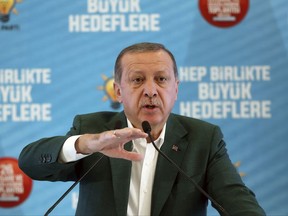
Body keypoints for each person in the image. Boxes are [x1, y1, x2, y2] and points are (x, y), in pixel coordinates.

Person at [18, 42, 265, 216]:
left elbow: (238, 203)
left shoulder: (204, 139)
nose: (150, 90)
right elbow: (29, 162)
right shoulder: (93, 128)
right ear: (118, 91)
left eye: (161, 79)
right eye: (137, 80)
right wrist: (85, 144)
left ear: (175, 89)